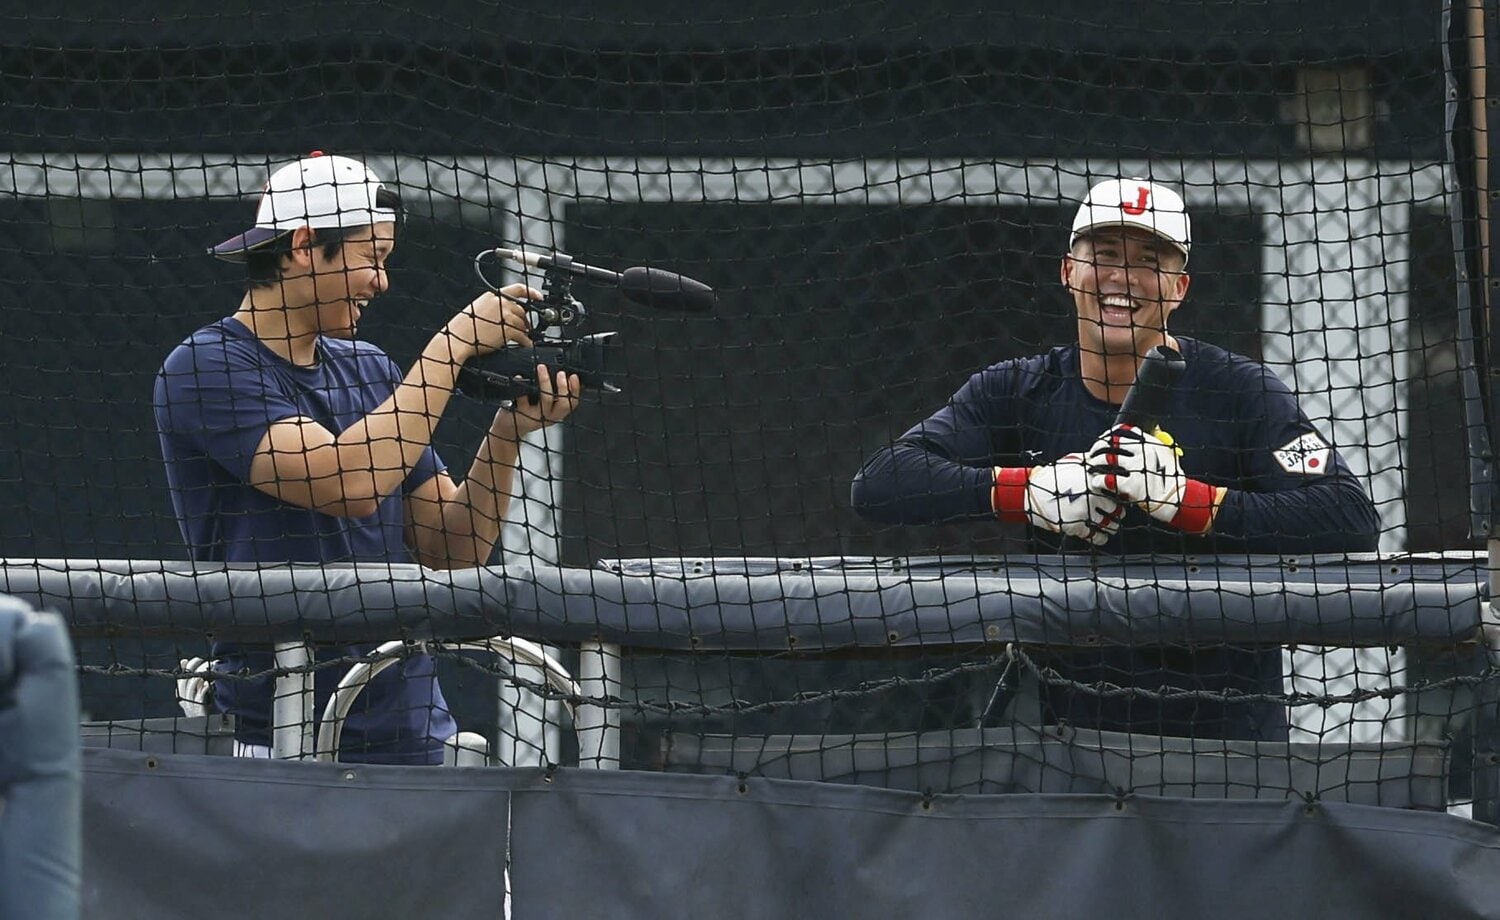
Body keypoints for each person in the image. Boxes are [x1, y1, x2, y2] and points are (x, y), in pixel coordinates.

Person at [850, 177, 1380, 740]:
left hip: (1232, 745)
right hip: (1077, 740)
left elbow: (1348, 517)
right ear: (1068, 271)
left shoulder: (1239, 390)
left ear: (1179, 286)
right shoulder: (1017, 390)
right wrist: (1029, 493)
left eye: (1150, 261)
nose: (1122, 278)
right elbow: (881, 483)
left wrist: (1187, 503)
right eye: (1103, 255)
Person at [153, 152, 580, 764]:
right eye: (370, 258)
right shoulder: (205, 365)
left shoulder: (370, 367)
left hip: (410, 733)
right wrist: (454, 344)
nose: (380, 281)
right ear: (304, 246)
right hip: (274, 738)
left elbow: (449, 551)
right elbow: (348, 480)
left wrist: (508, 430)